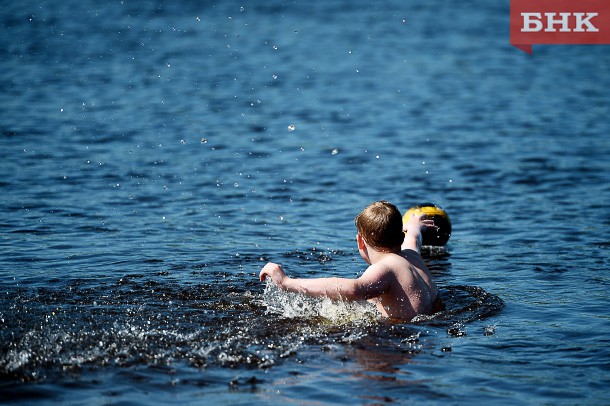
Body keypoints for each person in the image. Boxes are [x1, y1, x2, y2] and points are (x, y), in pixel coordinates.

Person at [259, 200, 441, 321]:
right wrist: (415, 225)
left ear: (360, 241)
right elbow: (414, 238)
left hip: (403, 334)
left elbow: (354, 289)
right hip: (431, 323)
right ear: (401, 237)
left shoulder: (385, 268)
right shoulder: (412, 256)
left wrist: (286, 282)